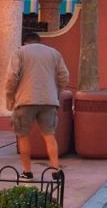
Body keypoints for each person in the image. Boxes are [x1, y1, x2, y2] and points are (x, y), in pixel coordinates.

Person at [5, 31, 69, 181]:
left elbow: (11, 77)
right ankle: (55, 169)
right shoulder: (54, 53)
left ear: (24, 42)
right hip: (49, 100)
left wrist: (10, 97)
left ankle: (27, 172)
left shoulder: (19, 52)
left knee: (23, 136)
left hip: (25, 99)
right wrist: (56, 93)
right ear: (39, 41)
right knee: (49, 135)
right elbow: (64, 76)